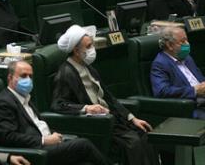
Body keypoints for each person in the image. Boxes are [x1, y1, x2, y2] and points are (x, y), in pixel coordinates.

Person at [52, 25, 158, 165]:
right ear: (76, 51)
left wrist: (132, 118)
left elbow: (109, 98)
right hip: (98, 124)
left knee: (144, 133)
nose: (92, 50)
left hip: (114, 119)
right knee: (133, 142)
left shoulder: (89, 68)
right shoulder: (66, 74)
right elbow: (58, 105)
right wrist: (86, 108)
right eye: (89, 46)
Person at [0, 60, 108, 165]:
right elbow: (7, 137)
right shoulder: (4, 102)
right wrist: (44, 140)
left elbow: (37, 124)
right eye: (23, 76)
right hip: (35, 152)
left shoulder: (25, 97)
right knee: (84, 145)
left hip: (48, 142)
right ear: (10, 78)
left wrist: (53, 136)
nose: (28, 79)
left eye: (30, 76)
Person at [151, 26, 205, 119]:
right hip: (190, 109)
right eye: (182, 41)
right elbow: (162, 92)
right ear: (169, 45)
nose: (187, 44)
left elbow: (200, 80)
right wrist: (195, 91)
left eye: (187, 40)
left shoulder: (187, 58)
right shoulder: (160, 64)